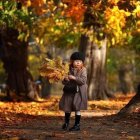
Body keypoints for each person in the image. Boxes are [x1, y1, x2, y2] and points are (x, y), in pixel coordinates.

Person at [59, 52, 88, 131]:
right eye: (76, 61)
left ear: (82, 62)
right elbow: (63, 82)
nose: (78, 62)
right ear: (72, 62)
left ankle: (77, 125)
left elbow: (83, 81)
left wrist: (74, 78)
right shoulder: (67, 69)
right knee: (67, 107)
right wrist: (66, 79)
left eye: (80, 61)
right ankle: (66, 123)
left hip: (79, 92)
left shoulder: (83, 70)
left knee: (77, 107)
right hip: (69, 91)